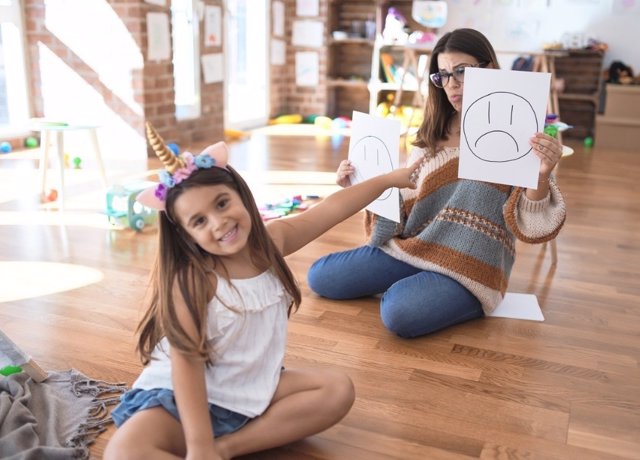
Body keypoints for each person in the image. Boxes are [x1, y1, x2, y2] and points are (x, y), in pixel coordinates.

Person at [104, 124, 422, 460]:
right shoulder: (191, 280)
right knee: (123, 451)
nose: (219, 222)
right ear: (186, 236)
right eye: (199, 221)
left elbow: (332, 208)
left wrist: (389, 180)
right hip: (183, 397)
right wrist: (198, 445)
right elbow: (186, 368)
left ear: (241, 194)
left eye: (222, 203)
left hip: (250, 387)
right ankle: (204, 447)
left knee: (337, 389)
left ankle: (226, 448)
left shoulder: (272, 243)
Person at [308, 28, 567, 338]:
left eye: (462, 71)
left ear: (490, 68)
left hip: (471, 267)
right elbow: (404, 207)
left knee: (398, 312)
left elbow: (531, 225)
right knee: (320, 277)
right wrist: (360, 185)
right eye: (442, 75)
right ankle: (421, 283)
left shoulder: (518, 131)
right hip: (416, 247)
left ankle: (442, 292)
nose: (452, 84)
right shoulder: (431, 134)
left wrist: (540, 174)